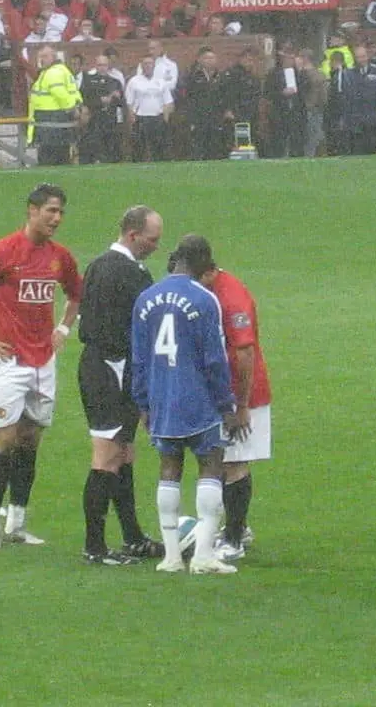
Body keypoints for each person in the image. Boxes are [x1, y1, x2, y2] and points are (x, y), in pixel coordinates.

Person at [0, 184, 82, 550]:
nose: (56, 218)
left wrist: (64, 327)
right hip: (9, 361)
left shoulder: (60, 257)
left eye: (61, 212)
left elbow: (77, 292)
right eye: (51, 211)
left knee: (30, 440)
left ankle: (17, 523)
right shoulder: (3, 252)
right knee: (4, 439)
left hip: (44, 362)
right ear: (32, 211)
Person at [131, 235, 244, 575]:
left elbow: (139, 358)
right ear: (202, 262)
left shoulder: (145, 299)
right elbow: (214, 360)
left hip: (161, 398)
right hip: (198, 399)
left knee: (169, 468)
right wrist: (227, 406)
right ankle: (203, 556)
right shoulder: (205, 299)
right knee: (211, 467)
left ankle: (170, 558)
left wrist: (143, 404)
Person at [78, 206, 165, 565]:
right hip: (108, 370)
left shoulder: (100, 264)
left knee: (124, 452)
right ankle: (95, 548)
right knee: (108, 456)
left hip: (108, 366)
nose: (156, 246)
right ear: (132, 235)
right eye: (152, 239)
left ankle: (132, 536)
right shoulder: (127, 273)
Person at [196, 255, 272, 563]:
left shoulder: (231, 296)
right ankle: (236, 526)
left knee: (234, 462)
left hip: (244, 393)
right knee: (222, 460)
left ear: (210, 270)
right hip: (221, 393)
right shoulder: (210, 292)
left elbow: (244, 351)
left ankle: (234, 538)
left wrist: (241, 405)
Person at [27, 45, 82, 165]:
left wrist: (73, 109)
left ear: (54, 57)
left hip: (52, 127)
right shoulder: (58, 71)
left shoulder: (53, 73)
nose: (42, 59)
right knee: (62, 159)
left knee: (48, 162)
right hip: (57, 126)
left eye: (45, 56)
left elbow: (60, 94)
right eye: (40, 56)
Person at [125, 56, 173, 163]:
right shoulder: (134, 81)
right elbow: (129, 102)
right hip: (140, 118)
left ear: (154, 66)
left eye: (150, 63)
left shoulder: (161, 82)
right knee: (139, 146)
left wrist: (165, 118)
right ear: (141, 66)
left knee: (158, 146)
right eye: (145, 63)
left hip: (157, 118)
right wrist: (131, 117)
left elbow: (168, 102)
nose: (148, 66)